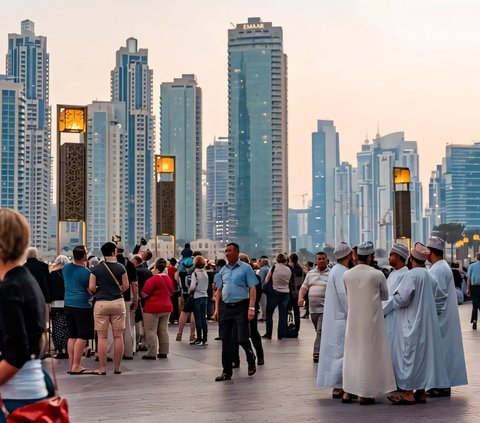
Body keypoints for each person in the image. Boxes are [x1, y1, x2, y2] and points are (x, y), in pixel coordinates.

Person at [388, 242, 450, 405]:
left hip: (411, 323)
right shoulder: (430, 275)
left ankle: (408, 393)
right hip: (427, 325)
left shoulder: (412, 275)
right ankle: (420, 392)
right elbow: (441, 299)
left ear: (411, 258)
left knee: (409, 357)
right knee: (423, 359)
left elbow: (401, 299)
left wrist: (394, 295)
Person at [0, 209, 48, 418]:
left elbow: (17, 352)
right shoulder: (25, 280)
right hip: (28, 391)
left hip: (14, 398)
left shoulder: (10, 287)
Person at [342, 241, 396, 404]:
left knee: (352, 354)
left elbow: (347, 293)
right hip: (372, 320)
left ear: (355, 256)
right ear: (371, 256)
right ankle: (365, 393)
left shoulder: (347, 275)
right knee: (369, 354)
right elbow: (385, 296)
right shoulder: (377, 274)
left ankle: (348, 391)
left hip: (353, 320)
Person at [427, 236, 468, 395]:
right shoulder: (442, 266)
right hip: (444, 317)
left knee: (442, 352)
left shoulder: (438, 269)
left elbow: (439, 296)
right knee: (443, 352)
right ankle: (441, 384)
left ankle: (441, 385)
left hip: (440, 319)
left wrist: (432, 316)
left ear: (431, 252)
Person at [213, 243, 258, 382]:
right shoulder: (223, 270)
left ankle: (251, 358)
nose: (227, 253)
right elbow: (219, 290)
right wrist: (216, 309)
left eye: (230, 251)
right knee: (226, 340)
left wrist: (251, 308)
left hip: (241, 306)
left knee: (242, 338)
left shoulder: (246, 268)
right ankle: (226, 371)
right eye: (226, 251)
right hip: (226, 307)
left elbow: (252, 288)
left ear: (237, 252)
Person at [317, 242, 353, 399]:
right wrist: (353, 313)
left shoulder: (336, 271)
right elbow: (344, 297)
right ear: (349, 256)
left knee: (336, 352)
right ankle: (339, 385)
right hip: (342, 319)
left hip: (336, 318)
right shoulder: (342, 273)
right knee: (340, 352)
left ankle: (339, 385)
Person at [89, 242, 129, 375]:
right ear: (114, 252)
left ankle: (102, 368)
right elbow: (126, 286)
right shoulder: (121, 267)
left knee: (102, 337)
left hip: (101, 303)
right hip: (118, 302)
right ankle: (117, 367)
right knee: (118, 336)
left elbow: (92, 288)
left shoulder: (96, 268)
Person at [63, 245, 94, 374]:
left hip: (68, 304)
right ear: (84, 256)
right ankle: (77, 365)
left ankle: (71, 365)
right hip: (82, 305)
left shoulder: (66, 268)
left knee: (72, 335)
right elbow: (90, 290)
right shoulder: (87, 272)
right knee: (82, 336)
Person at [232, 253, 264, 367]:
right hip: (236, 308)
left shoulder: (255, 277)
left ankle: (260, 356)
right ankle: (235, 360)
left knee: (253, 333)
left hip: (249, 308)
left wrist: (252, 307)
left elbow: (257, 294)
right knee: (234, 334)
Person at [298, 251, 329, 363]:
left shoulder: (331, 273)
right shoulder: (310, 274)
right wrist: (300, 298)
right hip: (313, 310)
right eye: (319, 259)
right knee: (319, 331)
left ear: (327, 260)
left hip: (325, 309)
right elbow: (304, 287)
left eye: (323, 258)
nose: (321, 261)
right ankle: (325, 349)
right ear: (316, 261)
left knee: (320, 331)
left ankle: (317, 354)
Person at [141, 258, 174, 359]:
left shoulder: (153, 279)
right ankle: (164, 351)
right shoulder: (168, 278)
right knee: (163, 330)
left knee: (151, 330)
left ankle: (151, 353)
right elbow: (172, 291)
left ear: (155, 266)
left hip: (153, 308)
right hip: (167, 307)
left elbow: (144, 293)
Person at [382, 244, 409, 355]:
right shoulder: (393, 273)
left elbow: (395, 298)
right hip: (386, 317)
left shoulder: (406, 274)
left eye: (391, 255)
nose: (389, 257)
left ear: (398, 256)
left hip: (396, 318)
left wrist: (380, 311)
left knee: (394, 350)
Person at [115, 243, 138, 360]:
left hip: (112, 298)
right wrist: (135, 298)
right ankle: (128, 352)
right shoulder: (129, 264)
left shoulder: (108, 264)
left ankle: (111, 353)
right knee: (127, 326)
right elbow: (135, 284)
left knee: (111, 328)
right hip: (126, 298)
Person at [263, 253, 293, 340]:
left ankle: (269, 333)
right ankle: (281, 334)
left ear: (277, 259)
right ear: (285, 260)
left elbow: (266, 280)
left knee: (269, 313)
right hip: (286, 293)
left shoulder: (274, 267)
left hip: (274, 292)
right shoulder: (288, 269)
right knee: (283, 314)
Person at [49, 255, 70, 359]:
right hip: (68, 302)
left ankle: (59, 350)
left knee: (57, 327)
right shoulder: (69, 274)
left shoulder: (52, 274)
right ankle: (67, 349)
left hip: (56, 303)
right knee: (67, 327)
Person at [188, 256, 209, 345]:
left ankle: (199, 338)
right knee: (203, 318)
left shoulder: (195, 273)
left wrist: (189, 291)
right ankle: (204, 338)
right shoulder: (205, 273)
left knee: (198, 318)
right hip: (205, 295)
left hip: (197, 296)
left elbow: (192, 286)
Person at [289, 253, 305, 334]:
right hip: (298, 292)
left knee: (289, 311)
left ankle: (290, 326)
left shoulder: (291, 268)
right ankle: (297, 328)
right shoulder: (300, 268)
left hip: (292, 292)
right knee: (296, 311)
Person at [466, 252, 480, 330]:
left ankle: (474, 321)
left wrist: (468, 289)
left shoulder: (471, 266)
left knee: (475, 306)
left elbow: (469, 279)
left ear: (476, 257)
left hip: (474, 288)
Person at [257, 256, 270, 321]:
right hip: (269, 289)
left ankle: (264, 316)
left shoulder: (262, 269)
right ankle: (267, 315)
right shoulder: (269, 268)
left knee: (263, 303)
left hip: (263, 288)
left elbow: (260, 279)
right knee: (267, 303)